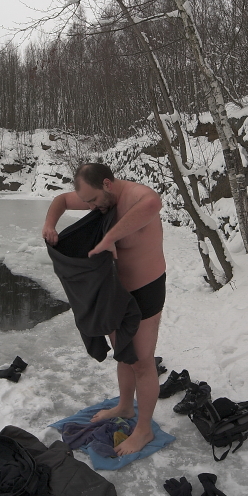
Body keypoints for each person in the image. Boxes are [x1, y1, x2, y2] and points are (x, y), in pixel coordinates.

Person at [42, 163, 167, 456]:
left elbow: (153, 203)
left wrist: (109, 238)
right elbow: (61, 200)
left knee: (142, 362)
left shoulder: (136, 196)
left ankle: (144, 430)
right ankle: (124, 405)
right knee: (123, 353)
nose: (91, 207)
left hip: (145, 290)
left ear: (108, 184)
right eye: (86, 202)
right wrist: (49, 225)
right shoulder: (99, 197)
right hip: (114, 290)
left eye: (94, 200)